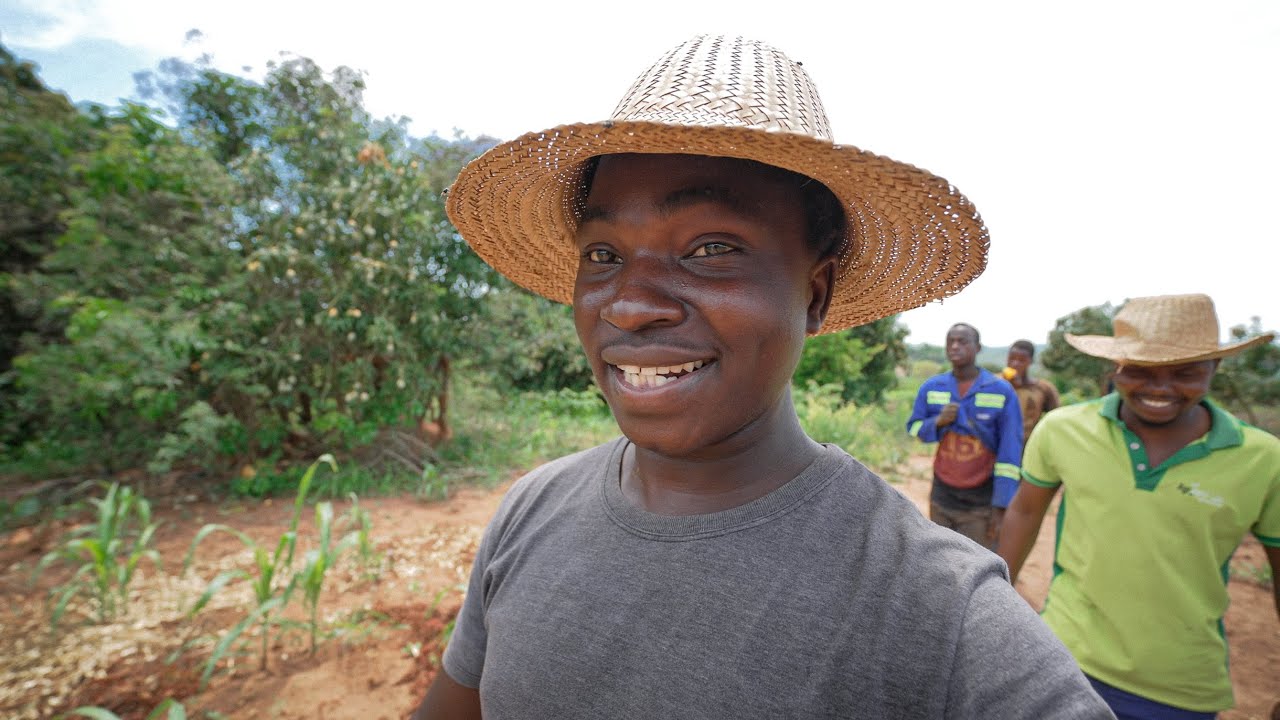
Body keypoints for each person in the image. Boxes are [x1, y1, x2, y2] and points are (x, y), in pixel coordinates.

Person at [414, 35, 1110, 719]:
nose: (629, 302)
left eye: (710, 248)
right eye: (603, 252)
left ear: (814, 294)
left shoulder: (941, 615)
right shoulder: (531, 511)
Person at [997, 293, 1280, 720]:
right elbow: (1025, 511)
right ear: (1117, 368)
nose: (1160, 387)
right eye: (1141, 370)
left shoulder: (1264, 461)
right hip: (1062, 657)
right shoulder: (1063, 431)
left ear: (1215, 369)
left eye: (1185, 372)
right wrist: (999, 609)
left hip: (1179, 688)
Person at [906, 323, 1024, 549]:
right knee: (940, 560)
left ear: (978, 348)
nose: (955, 346)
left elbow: (1010, 451)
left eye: (962, 341)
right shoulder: (932, 387)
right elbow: (914, 427)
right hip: (942, 495)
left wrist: (1000, 508)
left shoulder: (1000, 390)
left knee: (974, 565)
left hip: (981, 502)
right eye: (950, 341)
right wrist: (936, 422)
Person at [1006, 338, 1061, 446]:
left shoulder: (1043, 388)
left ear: (1030, 361)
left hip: (1029, 445)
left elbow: (1056, 418)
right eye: (1011, 359)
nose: (1015, 363)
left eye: (1021, 360)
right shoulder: (994, 384)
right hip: (997, 446)